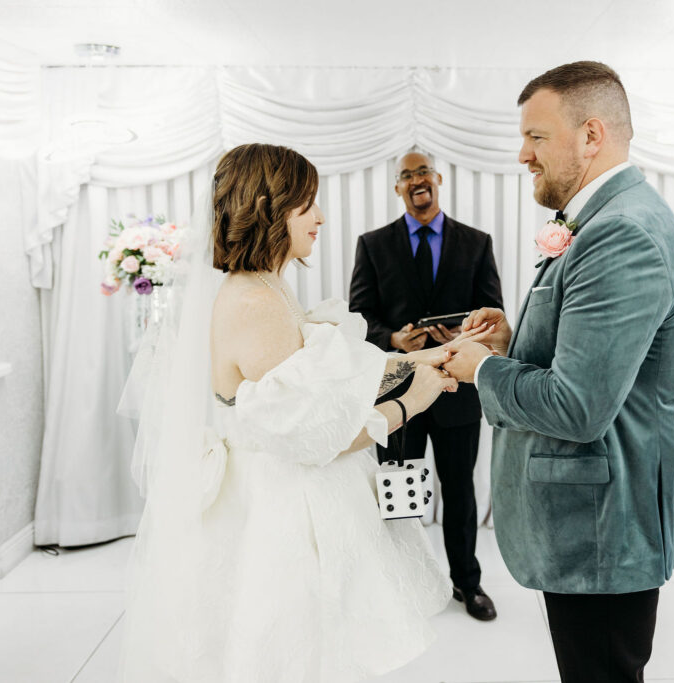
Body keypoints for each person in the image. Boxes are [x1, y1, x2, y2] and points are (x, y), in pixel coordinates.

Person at [118, 143, 463, 682]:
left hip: (285, 487)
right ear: (269, 209)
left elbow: (330, 378)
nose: (321, 217)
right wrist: (413, 399)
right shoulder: (254, 301)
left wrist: (416, 359)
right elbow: (318, 434)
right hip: (281, 505)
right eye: (308, 205)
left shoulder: (267, 285)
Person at [444, 62, 674, 682]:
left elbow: (577, 407)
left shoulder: (621, 234)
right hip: (595, 526)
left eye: (536, 137)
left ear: (591, 136)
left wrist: (484, 370)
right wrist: (510, 341)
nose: (522, 155)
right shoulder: (605, 219)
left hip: (604, 530)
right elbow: (585, 358)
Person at [348, 150, 503, 621]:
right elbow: (359, 318)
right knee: (399, 491)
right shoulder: (373, 245)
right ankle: (402, 583)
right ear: (398, 188)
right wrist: (392, 338)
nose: (418, 180)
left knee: (459, 491)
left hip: (459, 391)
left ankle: (467, 584)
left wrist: (462, 335)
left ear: (438, 180)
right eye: (408, 175)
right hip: (398, 396)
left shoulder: (476, 243)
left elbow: (492, 314)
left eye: (425, 172)